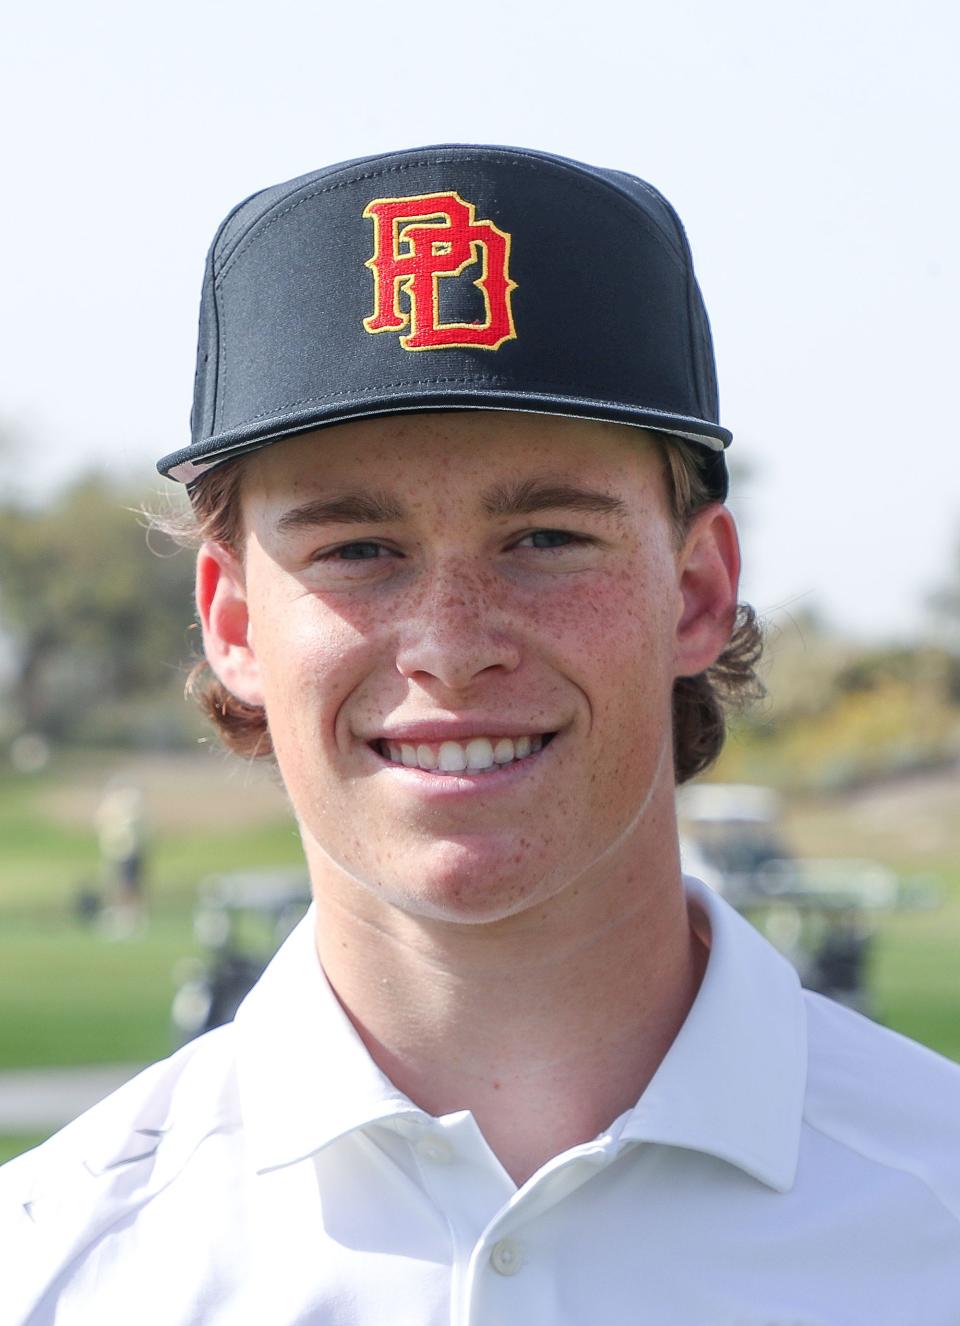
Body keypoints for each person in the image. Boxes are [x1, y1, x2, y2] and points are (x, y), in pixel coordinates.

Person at [3, 144, 959, 1323]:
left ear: (700, 592)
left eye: (548, 537)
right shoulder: (52, 1266)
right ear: (236, 624)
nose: (451, 645)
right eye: (357, 550)